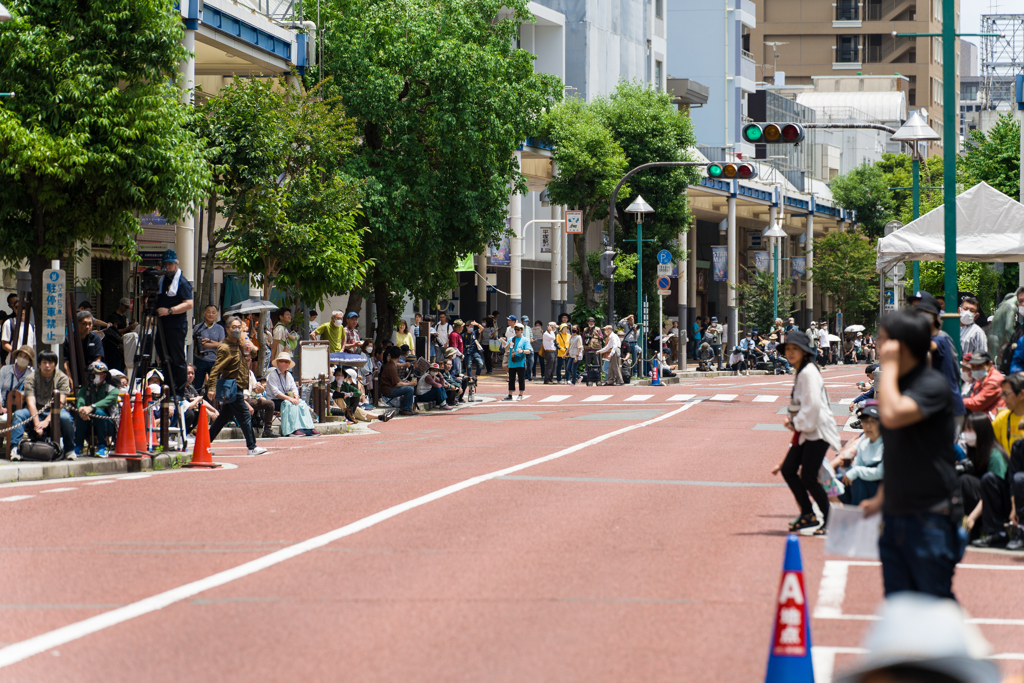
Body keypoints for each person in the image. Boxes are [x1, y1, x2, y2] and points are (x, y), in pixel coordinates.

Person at [860, 310, 961, 598]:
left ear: (900, 346)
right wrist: (881, 498)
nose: (877, 344)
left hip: (930, 516)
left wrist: (889, 367)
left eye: (883, 339)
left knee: (933, 604)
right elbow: (896, 449)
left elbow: (891, 417)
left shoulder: (932, 385)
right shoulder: (899, 386)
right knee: (900, 605)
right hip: (896, 514)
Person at [770, 330, 841, 535]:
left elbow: (813, 406)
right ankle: (808, 514)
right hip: (807, 430)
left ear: (804, 352)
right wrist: (794, 419)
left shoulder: (808, 372)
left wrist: (796, 423)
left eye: (795, 349)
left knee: (809, 477)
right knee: (789, 469)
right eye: (788, 349)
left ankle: (828, 519)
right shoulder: (802, 370)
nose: (791, 353)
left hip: (817, 431)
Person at [205, 316, 267, 456]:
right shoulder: (224, 347)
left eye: (239, 327)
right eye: (234, 327)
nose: (237, 330)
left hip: (237, 386)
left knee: (223, 418)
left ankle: (203, 445)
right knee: (245, 415)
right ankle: (252, 446)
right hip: (232, 386)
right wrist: (212, 387)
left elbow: (254, 353)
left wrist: (250, 347)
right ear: (227, 329)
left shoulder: (240, 342)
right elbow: (216, 369)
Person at [10, 350, 75, 460]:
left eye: (50, 362)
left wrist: (46, 421)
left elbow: (60, 402)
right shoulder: (31, 377)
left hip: (56, 411)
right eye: (44, 362)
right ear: (39, 364)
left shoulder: (63, 378)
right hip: (35, 411)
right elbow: (31, 402)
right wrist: (37, 424)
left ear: (55, 364)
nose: (47, 365)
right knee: (18, 415)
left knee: (66, 418)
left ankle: (69, 450)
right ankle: (15, 448)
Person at [911, 291, 966, 419]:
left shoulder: (941, 339)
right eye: (915, 309)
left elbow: (932, 346)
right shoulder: (926, 339)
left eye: (922, 310)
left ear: (934, 314)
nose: (919, 314)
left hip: (949, 409)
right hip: (934, 407)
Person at [957, 412, 1009, 543]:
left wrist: (972, 517)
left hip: (1001, 504)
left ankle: (989, 531)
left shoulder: (995, 455)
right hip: (982, 502)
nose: (966, 433)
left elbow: (992, 489)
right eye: (965, 429)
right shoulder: (974, 453)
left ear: (981, 432)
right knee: (962, 478)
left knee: (967, 481)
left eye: (970, 430)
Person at [153, 249, 194, 396]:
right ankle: (168, 386)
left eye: (170, 264)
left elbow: (189, 304)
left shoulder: (182, 282)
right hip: (163, 325)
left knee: (177, 359)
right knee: (164, 356)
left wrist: (169, 311)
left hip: (176, 325)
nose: (167, 267)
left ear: (176, 264)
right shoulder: (162, 281)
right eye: (165, 265)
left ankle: (179, 390)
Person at [833, 401, 884, 505]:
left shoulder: (886, 444)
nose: (868, 426)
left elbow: (881, 472)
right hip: (863, 483)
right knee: (834, 482)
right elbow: (857, 466)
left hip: (881, 491)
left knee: (857, 481)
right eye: (865, 422)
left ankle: (855, 510)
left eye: (872, 422)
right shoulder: (864, 444)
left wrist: (855, 471)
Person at [266, 351, 318, 436]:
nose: (284, 363)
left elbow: (294, 388)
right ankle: (292, 430)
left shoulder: (289, 375)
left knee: (302, 403)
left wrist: (296, 396)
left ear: (289, 364)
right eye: (281, 361)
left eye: (286, 361)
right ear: (278, 363)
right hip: (274, 400)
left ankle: (309, 428)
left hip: (286, 399)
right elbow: (276, 393)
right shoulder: (272, 375)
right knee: (289, 404)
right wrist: (290, 399)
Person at [73, 361, 119, 456]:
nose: (94, 375)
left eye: (97, 373)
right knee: (82, 412)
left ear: (104, 375)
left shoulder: (112, 390)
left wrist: (91, 407)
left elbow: (106, 401)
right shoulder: (84, 390)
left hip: (107, 424)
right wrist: (81, 409)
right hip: (88, 422)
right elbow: (80, 401)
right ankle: (78, 446)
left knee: (99, 412)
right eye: (92, 373)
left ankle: (102, 446)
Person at [62, 310, 105, 386]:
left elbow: (97, 360)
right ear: (76, 324)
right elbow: (65, 363)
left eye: (90, 324)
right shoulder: (68, 339)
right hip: (73, 374)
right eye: (84, 324)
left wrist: (93, 377)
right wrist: (69, 378)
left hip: (91, 375)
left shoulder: (95, 338)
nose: (87, 326)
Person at [192, 304, 225, 391]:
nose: (211, 314)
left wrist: (209, 341)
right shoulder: (198, 327)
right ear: (204, 313)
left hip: (215, 360)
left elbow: (222, 344)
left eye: (213, 313)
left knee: (214, 387)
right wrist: (217, 343)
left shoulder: (220, 328)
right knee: (197, 386)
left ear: (216, 315)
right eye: (209, 312)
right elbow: (201, 345)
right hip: (200, 360)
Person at [961, 351, 1004, 417]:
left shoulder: (994, 380)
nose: (975, 369)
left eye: (979, 366)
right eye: (973, 366)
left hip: (993, 419)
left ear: (990, 364)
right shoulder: (982, 378)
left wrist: (958, 401)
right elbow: (973, 396)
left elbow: (976, 404)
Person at [379, 346, 416, 415]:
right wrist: (410, 383)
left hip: (390, 388)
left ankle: (407, 407)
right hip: (389, 390)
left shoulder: (391, 364)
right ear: (399, 357)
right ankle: (405, 408)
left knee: (409, 387)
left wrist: (404, 382)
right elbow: (398, 384)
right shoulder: (391, 367)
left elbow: (397, 381)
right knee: (410, 389)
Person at [0, 345, 33, 417]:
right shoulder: (5, 369)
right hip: (3, 407)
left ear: (29, 360)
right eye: (20, 355)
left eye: (25, 357)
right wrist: (0, 406)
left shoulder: (31, 374)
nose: (22, 358)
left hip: (22, 409)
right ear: (17, 356)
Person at [1, 296, 34, 363]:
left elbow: (34, 344)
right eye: (17, 307)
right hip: (13, 362)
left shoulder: (32, 325)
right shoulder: (9, 323)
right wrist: (19, 354)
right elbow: (5, 344)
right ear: (14, 309)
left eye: (24, 308)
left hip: (28, 363)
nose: (21, 310)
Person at [246, 371, 278, 439]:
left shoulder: (250, 373)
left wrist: (261, 389)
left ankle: (267, 430)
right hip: (239, 399)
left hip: (248, 399)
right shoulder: (236, 371)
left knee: (270, 404)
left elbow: (256, 390)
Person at [503, 322, 531, 400]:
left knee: (521, 379)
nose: (516, 331)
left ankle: (521, 394)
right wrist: (508, 345)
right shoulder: (511, 339)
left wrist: (522, 351)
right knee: (511, 379)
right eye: (515, 329)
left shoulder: (525, 340)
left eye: (518, 329)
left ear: (522, 330)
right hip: (511, 362)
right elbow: (506, 349)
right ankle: (510, 395)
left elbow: (529, 351)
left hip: (521, 362)